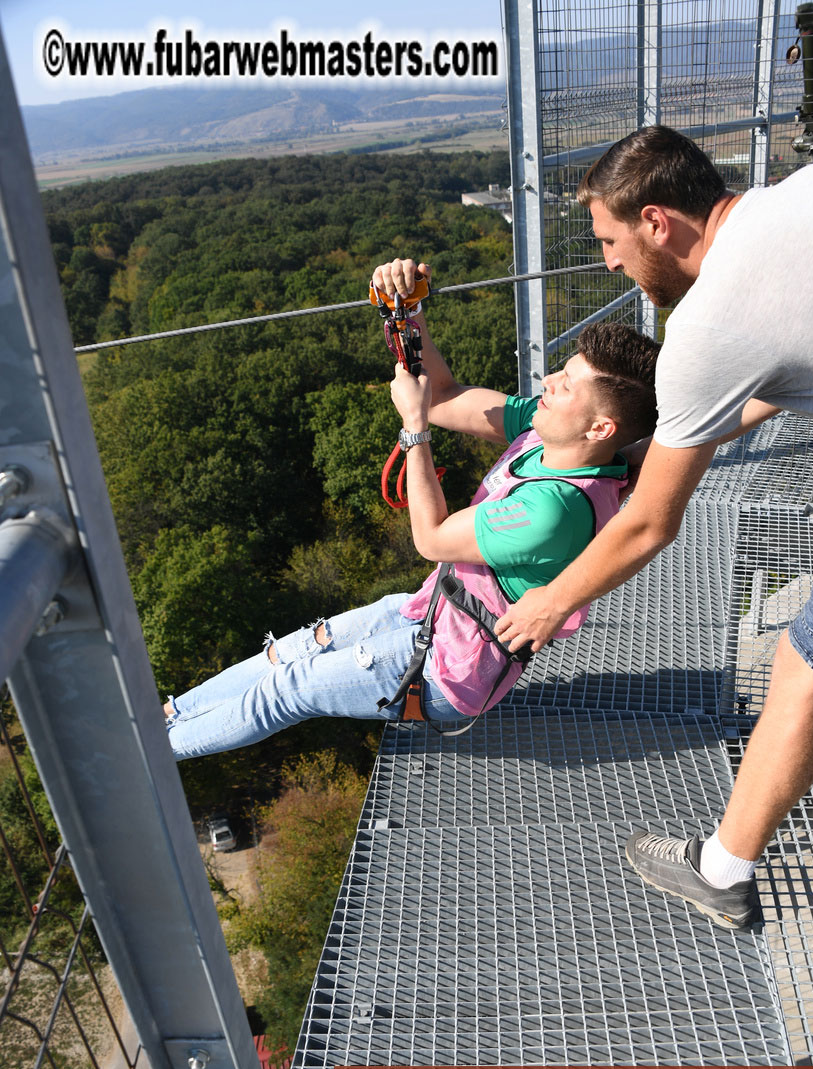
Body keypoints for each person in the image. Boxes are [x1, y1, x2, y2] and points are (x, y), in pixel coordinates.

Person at [493, 125, 813, 932]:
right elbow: (782, 374)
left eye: (610, 240)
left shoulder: (706, 326)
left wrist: (547, 604)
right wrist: (672, 441)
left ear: (657, 223)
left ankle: (721, 872)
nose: (608, 264)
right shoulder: (797, 199)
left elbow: (647, 527)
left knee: (808, 667)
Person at [164, 257, 659, 761]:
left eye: (567, 386)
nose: (549, 381)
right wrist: (408, 313)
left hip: (448, 669)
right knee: (290, 651)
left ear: (600, 429)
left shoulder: (552, 509)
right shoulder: (548, 435)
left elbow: (431, 537)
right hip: (432, 610)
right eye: (562, 372)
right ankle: (166, 718)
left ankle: (147, 754)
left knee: (287, 689)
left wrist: (414, 428)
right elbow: (444, 397)